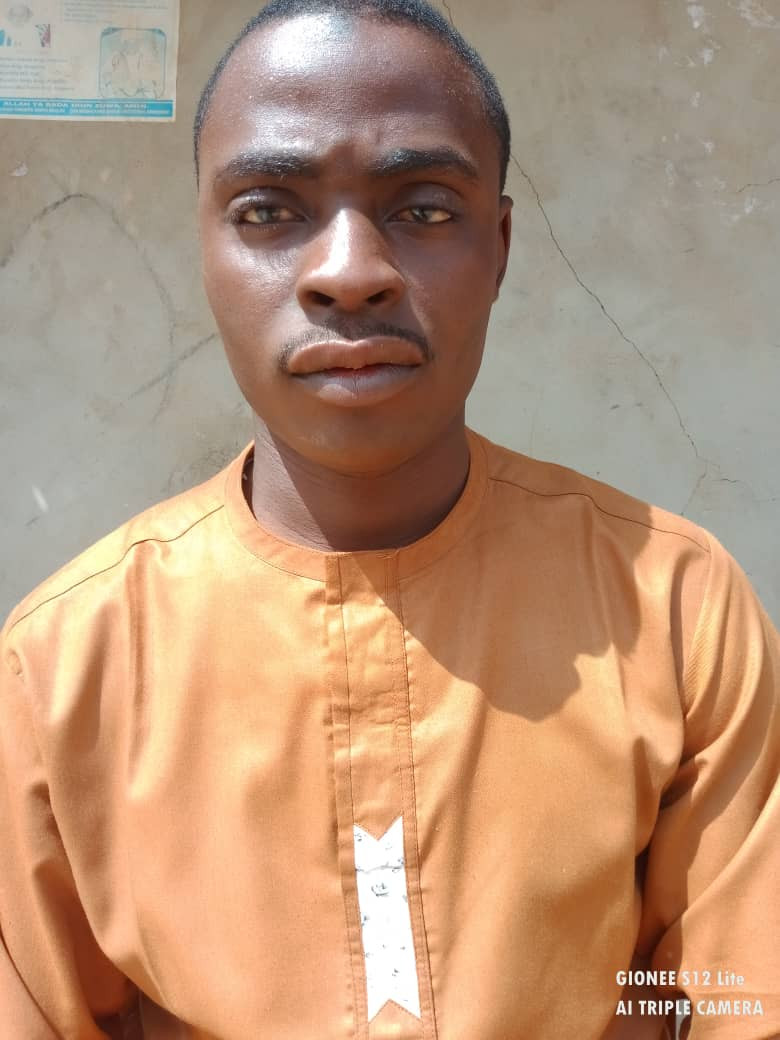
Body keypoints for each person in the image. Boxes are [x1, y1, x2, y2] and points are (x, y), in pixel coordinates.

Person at [1, 1, 777, 1037]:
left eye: (423, 208)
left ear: (500, 247)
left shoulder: (674, 609)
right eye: (268, 211)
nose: (349, 272)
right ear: (205, 254)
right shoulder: (61, 668)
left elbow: (731, 999)